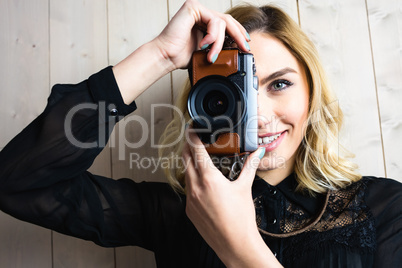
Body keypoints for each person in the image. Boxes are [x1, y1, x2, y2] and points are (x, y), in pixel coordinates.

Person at [0, 0, 401, 267]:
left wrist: (240, 250)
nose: (258, 115)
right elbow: (15, 182)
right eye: (236, 94)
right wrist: (159, 55)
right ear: (205, 103)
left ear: (312, 92)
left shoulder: (386, 208)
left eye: (279, 84)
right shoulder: (177, 210)